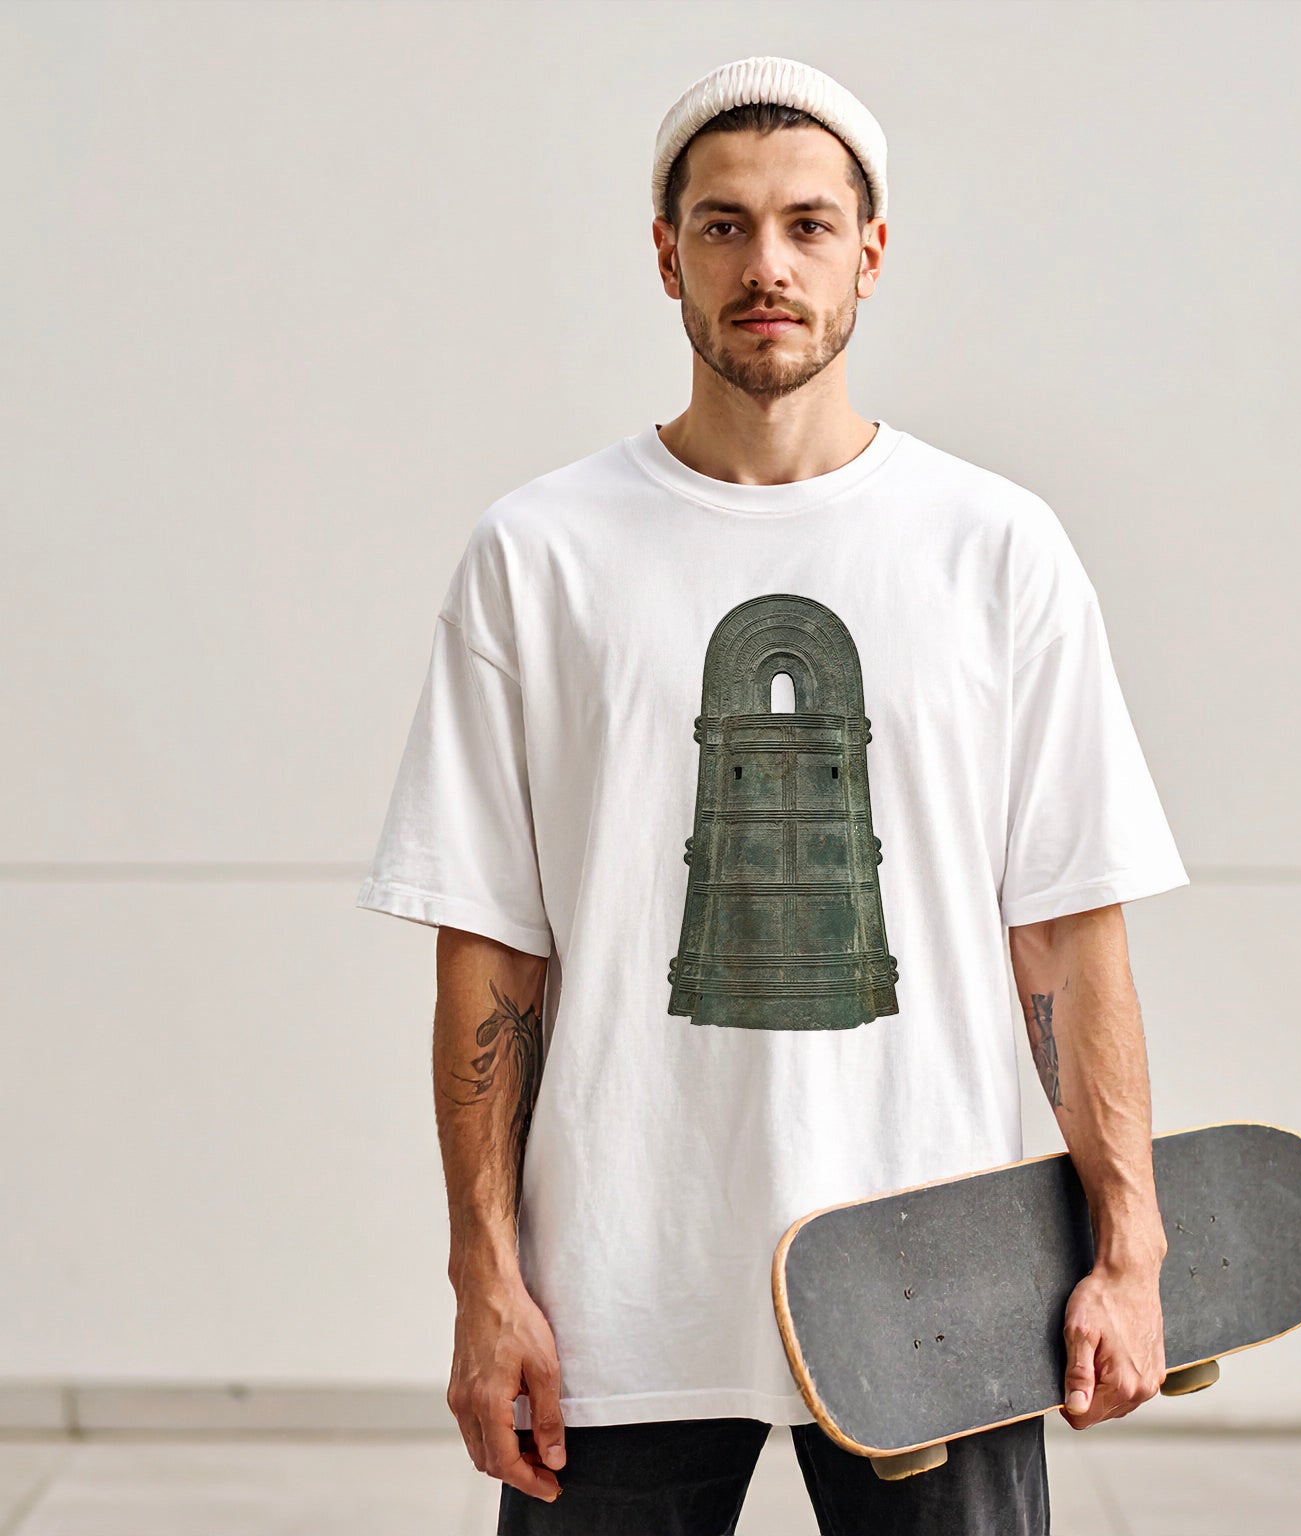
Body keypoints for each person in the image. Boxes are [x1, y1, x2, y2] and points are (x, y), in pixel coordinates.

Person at [357, 53, 1187, 1536]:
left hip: (940, 1280)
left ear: (870, 252)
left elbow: (1067, 928)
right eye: (725, 225)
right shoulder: (537, 557)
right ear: (665, 253)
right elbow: (492, 950)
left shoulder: (998, 549)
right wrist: (484, 1276)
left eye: (809, 225)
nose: (767, 266)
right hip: (615, 1300)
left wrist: (1130, 1247)